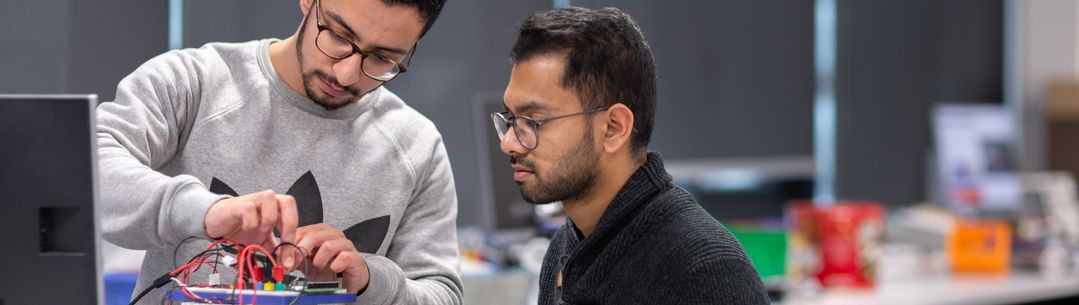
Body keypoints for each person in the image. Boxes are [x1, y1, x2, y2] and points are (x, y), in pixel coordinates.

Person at [96, 0, 461, 304]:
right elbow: (87, 170)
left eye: (382, 59)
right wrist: (204, 210)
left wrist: (368, 280)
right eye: (337, 35)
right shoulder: (195, 82)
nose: (348, 74)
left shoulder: (417, 145)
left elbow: (442, 293)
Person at [493, 7, 770, 304]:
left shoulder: (705, 271)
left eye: (533, 121)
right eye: (511, 119)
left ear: (613, 128)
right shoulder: (564, 249)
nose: (509, 143)